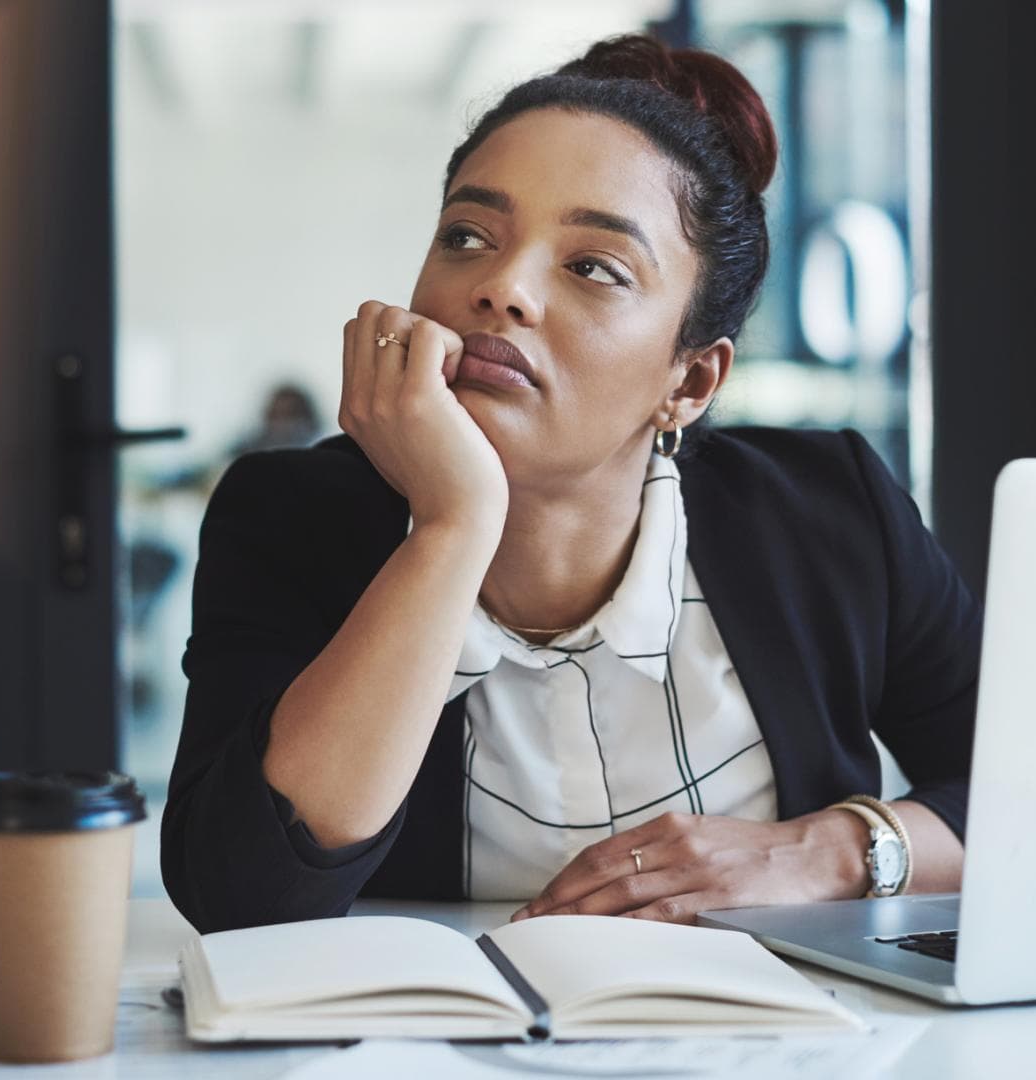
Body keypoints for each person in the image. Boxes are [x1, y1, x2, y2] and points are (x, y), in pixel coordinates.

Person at [162, 35, 981, 934]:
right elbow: (239, 896)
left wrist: (830, 851)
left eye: (594, 267)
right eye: (467, 237)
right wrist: (452, 524)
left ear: (692, 381)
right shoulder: (289, 515)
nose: (501, 287)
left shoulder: (833, 511)